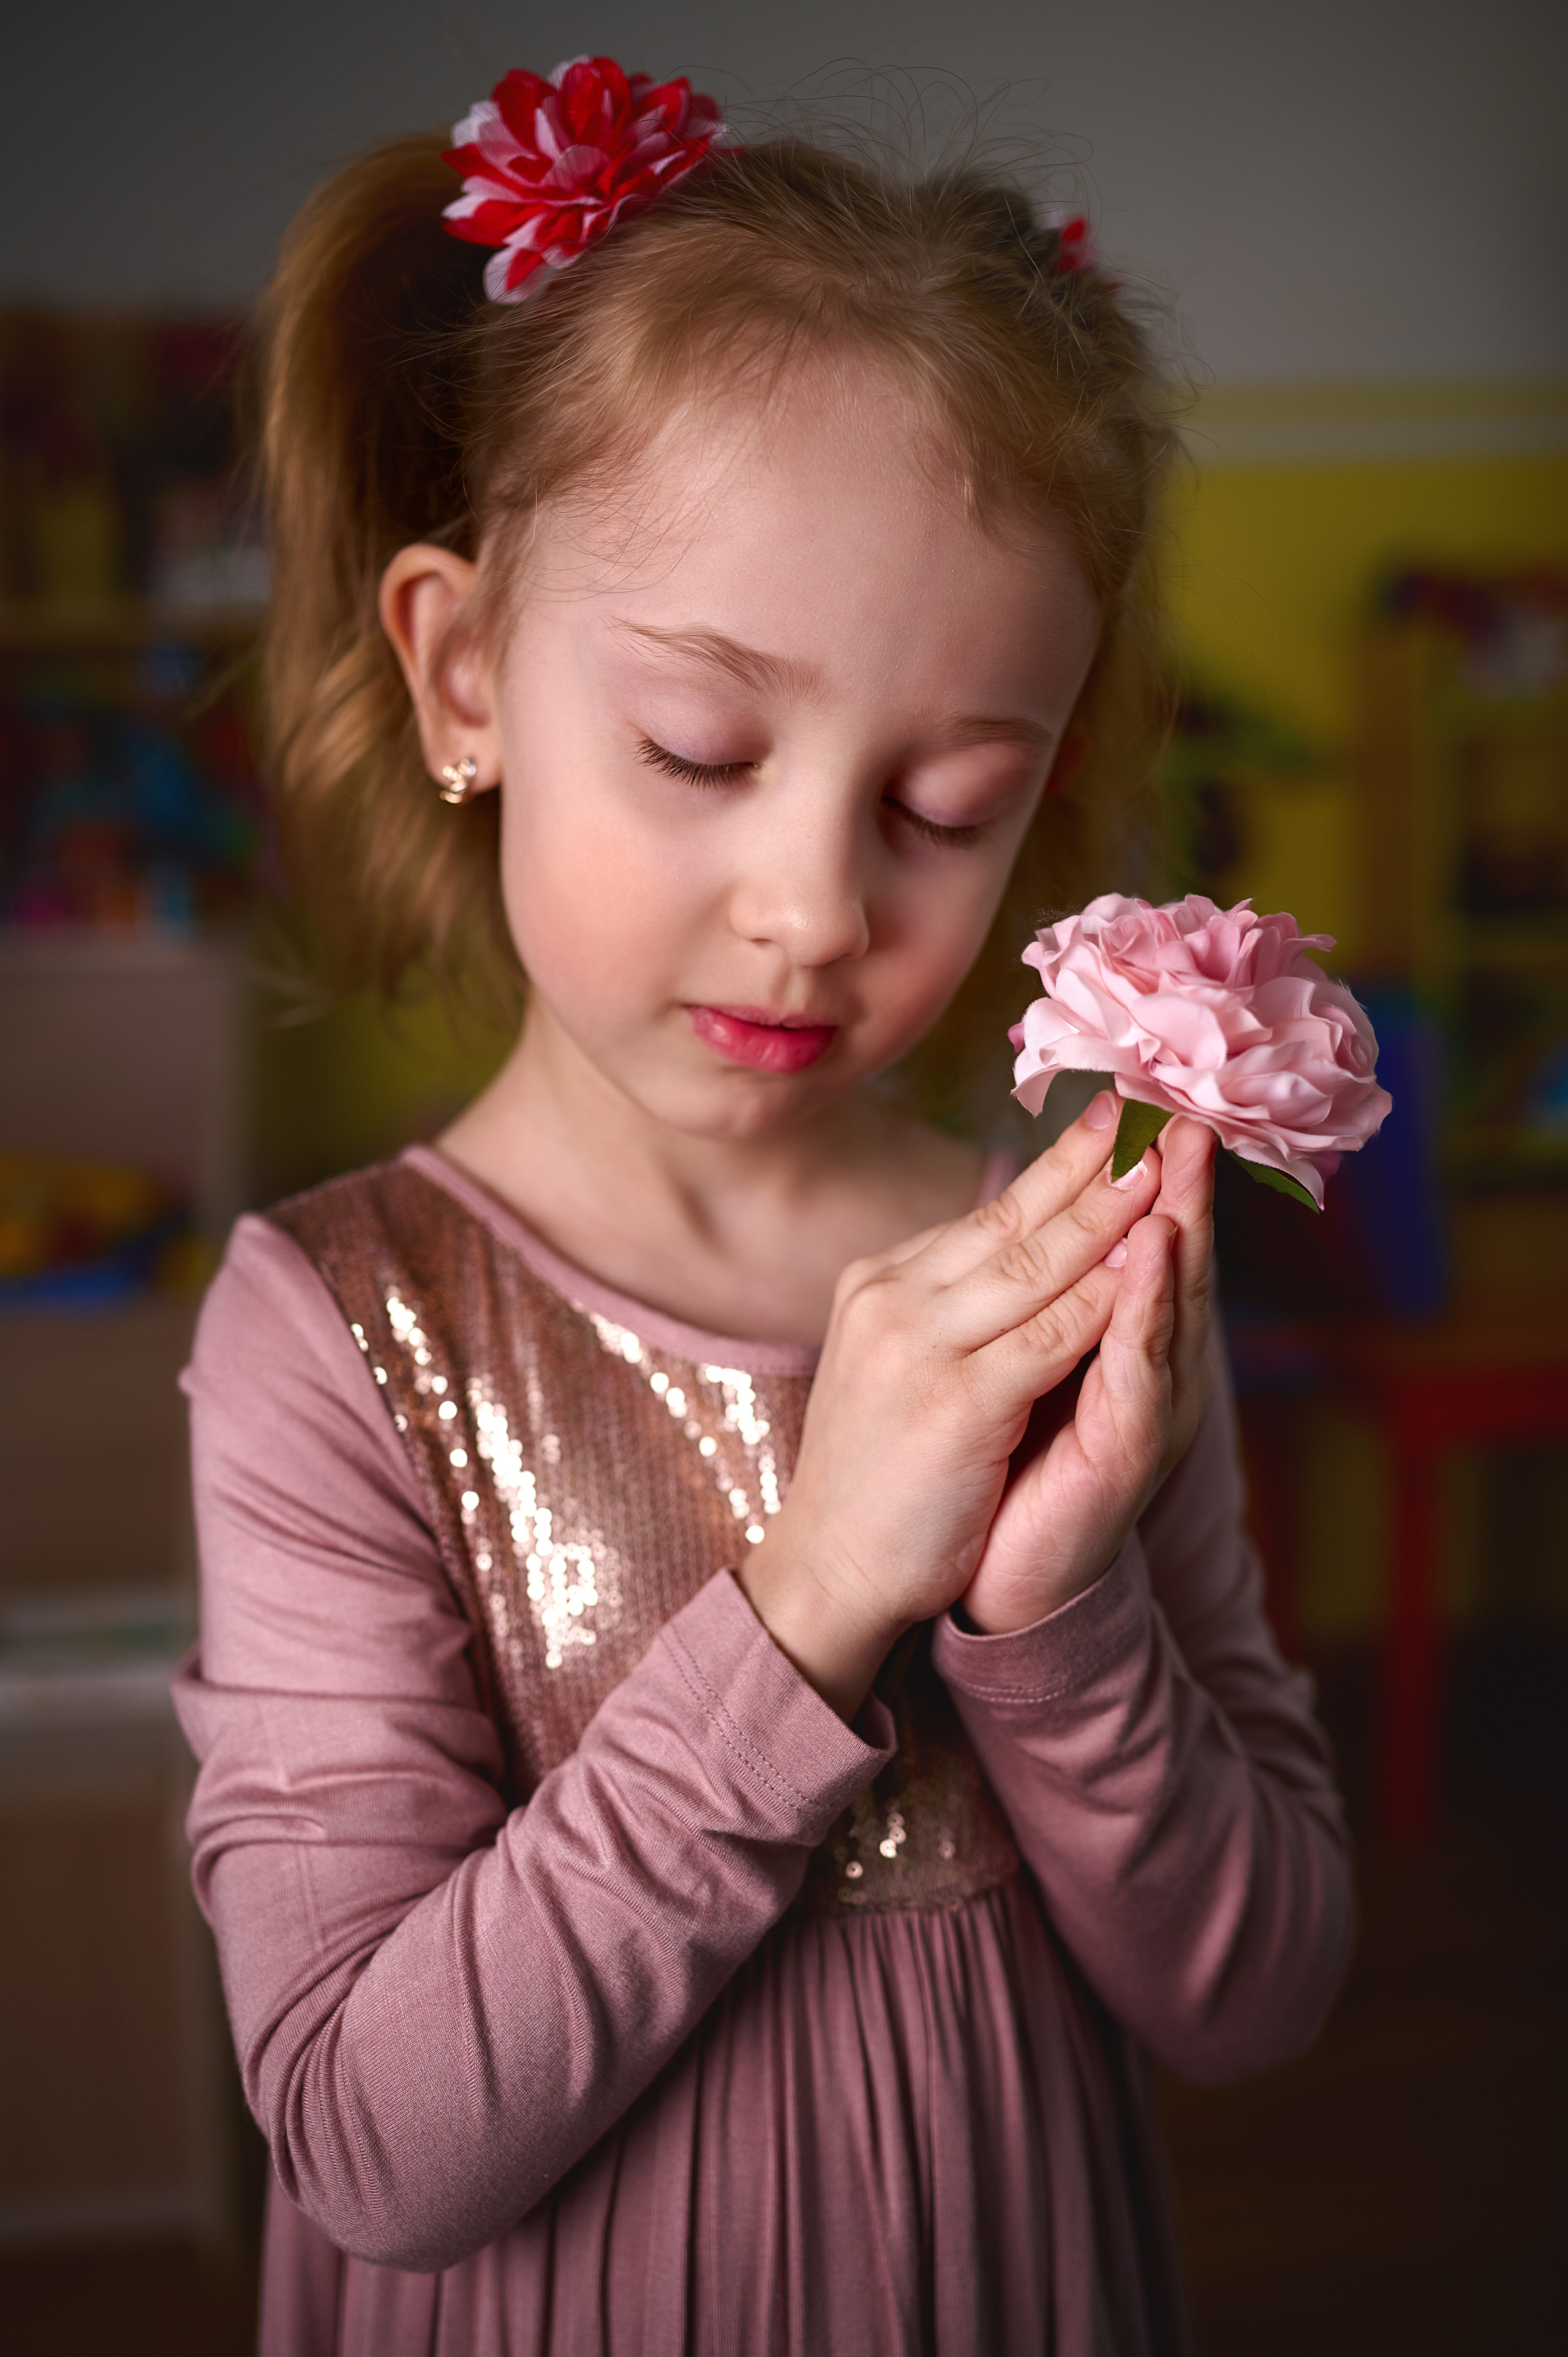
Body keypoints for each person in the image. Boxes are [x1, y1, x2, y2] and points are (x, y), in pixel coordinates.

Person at [173, 58, 1353, 2357]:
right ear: (465, 672)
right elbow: (372, 2143)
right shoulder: (323, 1333)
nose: (814, 903)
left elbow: (1261, 1995)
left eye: (947, 801)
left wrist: (1055, 1618)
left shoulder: (1079, 1283)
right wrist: (815, 1596)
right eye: (703, 756)